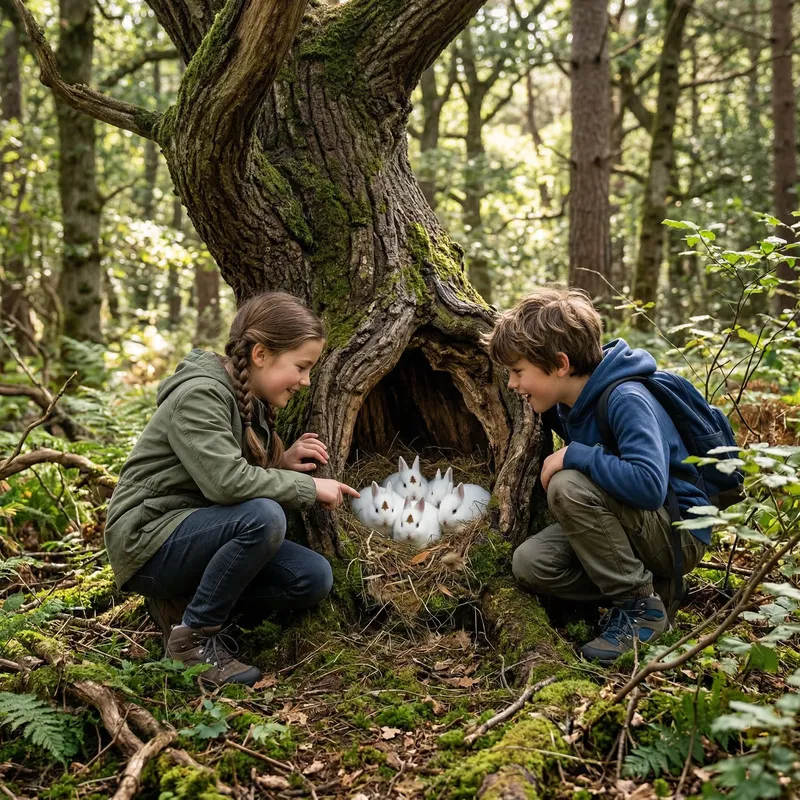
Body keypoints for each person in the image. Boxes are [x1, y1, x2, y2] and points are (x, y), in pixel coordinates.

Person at [105, 292, 359, 685]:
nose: (306, 381)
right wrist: (307, 486)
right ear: (260, 354)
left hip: (196, 533)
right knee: (264, 518)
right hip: (148, 541)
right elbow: (226, 483)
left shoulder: (248, 399)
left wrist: (281, 462)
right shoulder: (200, 393)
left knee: (311, 577)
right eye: (301, 366)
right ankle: (192, 641)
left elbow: (224, 471)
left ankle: (186, 607)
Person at [484, 287, 708, 663]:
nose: (511, 384)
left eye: (519, 372)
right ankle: (655, 589)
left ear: (560, 364)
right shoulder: (564, 404)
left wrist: (576, 454)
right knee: (531, 564)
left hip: (678, 533)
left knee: (567, 485)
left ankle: (641, 608)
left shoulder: (626, 399)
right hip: (636, 527)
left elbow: (649, 486)